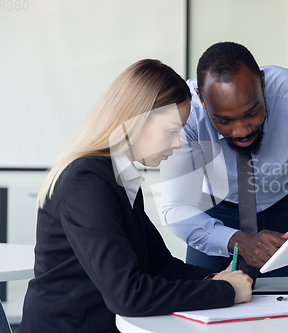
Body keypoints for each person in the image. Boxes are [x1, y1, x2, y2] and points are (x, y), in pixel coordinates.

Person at [19, 59, 252, 333]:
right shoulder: (87, 181)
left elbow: (158, 265)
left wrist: (216, 278)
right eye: (171, 131)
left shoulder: (120, 177)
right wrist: (223, 291)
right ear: (136, 120)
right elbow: (128, 295)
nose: (177, 143)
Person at [161, 42, 288, 279]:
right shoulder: (186, 114)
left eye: (251, 113)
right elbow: (176, 208)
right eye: (224, 120)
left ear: (262, 83)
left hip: (283, 218)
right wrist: (237, 241)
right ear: (202, 100)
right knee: (206, 309)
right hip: (214, 218)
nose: (241, 131)